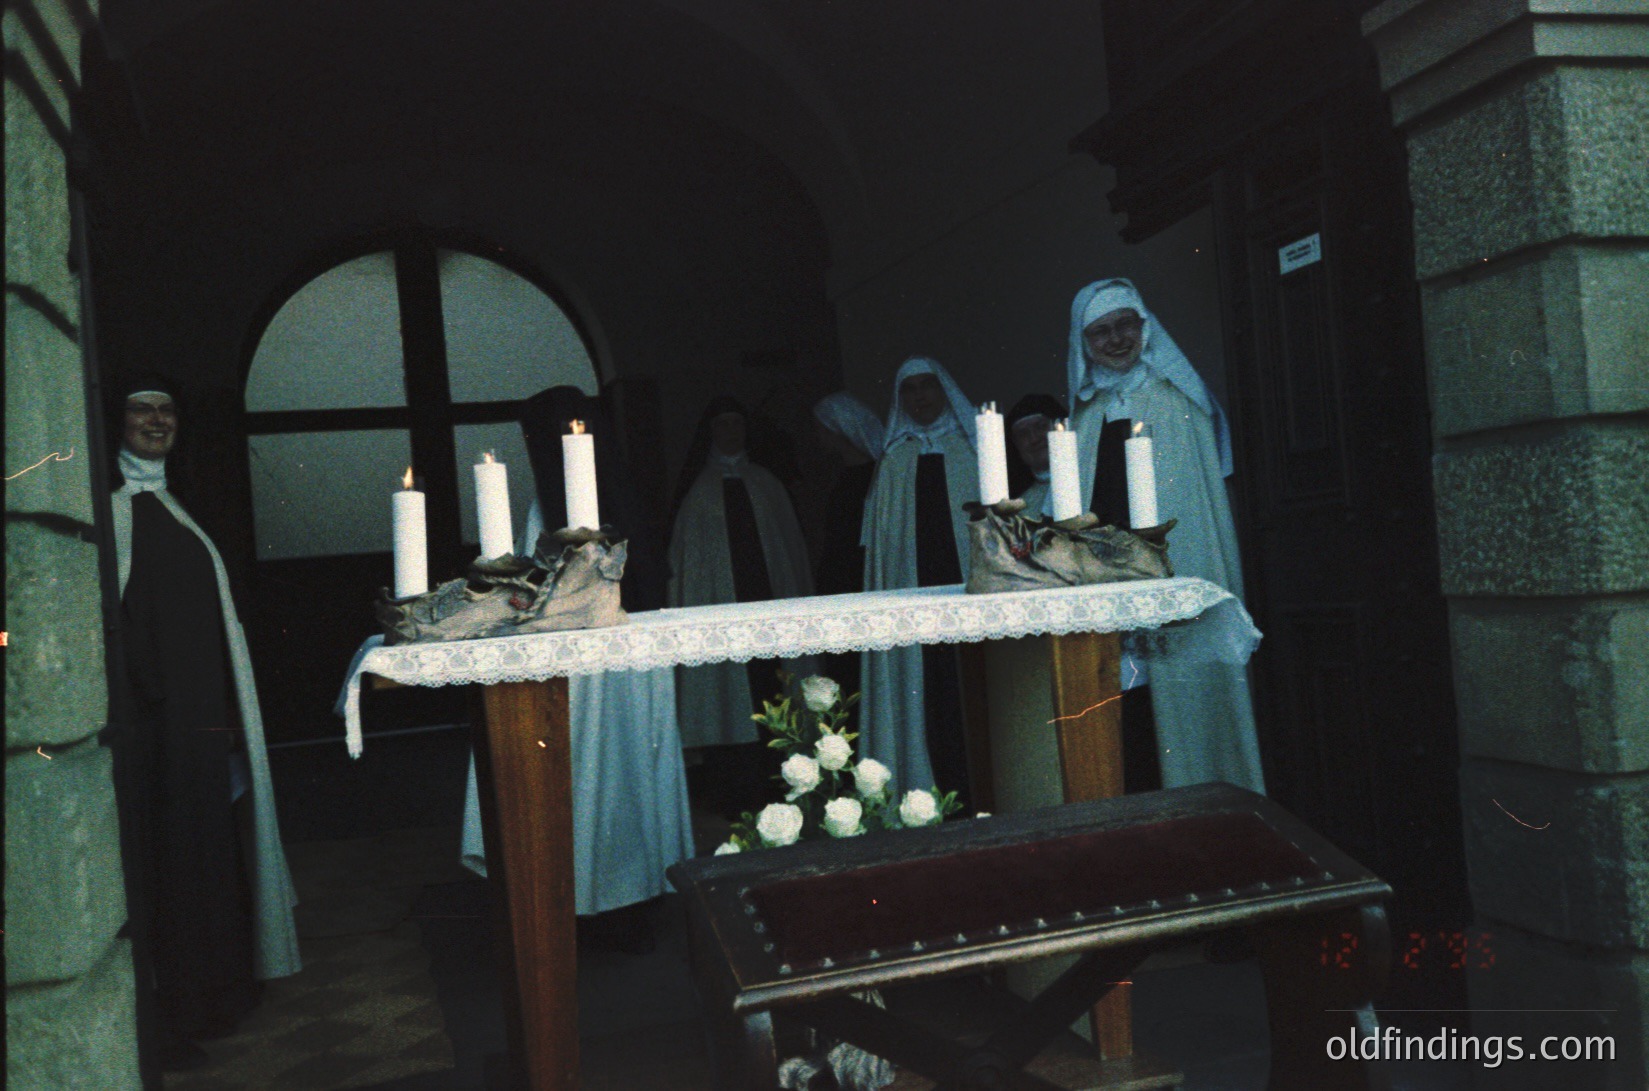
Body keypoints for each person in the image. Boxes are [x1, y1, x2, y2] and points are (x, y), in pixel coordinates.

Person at [106, 375, 300, 1071]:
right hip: (152, 734)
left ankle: (220, 993)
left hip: (199, 725)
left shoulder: (180, 505)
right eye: (141, 409)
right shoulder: (111, 511)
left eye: (167, 409)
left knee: (210, 856)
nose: (156, 420)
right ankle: (176, 1009)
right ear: (114, 421)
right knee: (166, 866)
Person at [460, 386, 693, 949]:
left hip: (610, 663)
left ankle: (613, 902)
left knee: (610, 773)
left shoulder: (597, 501)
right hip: (577, 664)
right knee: (591, 776)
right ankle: (588, 899)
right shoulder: (556, 501)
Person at [1065, 279, 1265, 794]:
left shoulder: (1178, 401)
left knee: (1182, 693)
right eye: (1100, 332)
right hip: (1108, 579)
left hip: (1171, 565)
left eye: (1125, 326)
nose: (1114, 340)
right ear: (1083, 343)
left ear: (1144, 326)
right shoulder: (1084, 417)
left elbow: (1194, 504)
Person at [667, 397, 815, 812]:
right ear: (710, 433)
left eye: (737, 425)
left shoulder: (767, 483)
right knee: (728, 696)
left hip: (770, 608)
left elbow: (790, 554)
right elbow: (687, 568)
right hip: (723, 616)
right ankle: (734, 791)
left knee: (775, 689)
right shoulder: (697, 494)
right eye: (722, 426)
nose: (731, 434)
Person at [858, 358, 980, 802]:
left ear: (945, 389)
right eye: (910, 389)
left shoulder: (972, 452)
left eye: (929, 386)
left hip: (969, 603)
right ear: (900, 400)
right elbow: (884, 551)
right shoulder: (894, 460)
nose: (921, 396)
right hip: (915, 606)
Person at [810, 392, 884, 698]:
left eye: (821, 427)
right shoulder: (844, 475)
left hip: (862, 582)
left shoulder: (876, 477)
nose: (818, 435)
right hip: (841, 584)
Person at [1004, 393, 1066, 515]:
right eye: (1023, 434)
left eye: (1041, 426)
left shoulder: (1090, 481)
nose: (1034, 438)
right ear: (1016, 446)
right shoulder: (1016, 511)